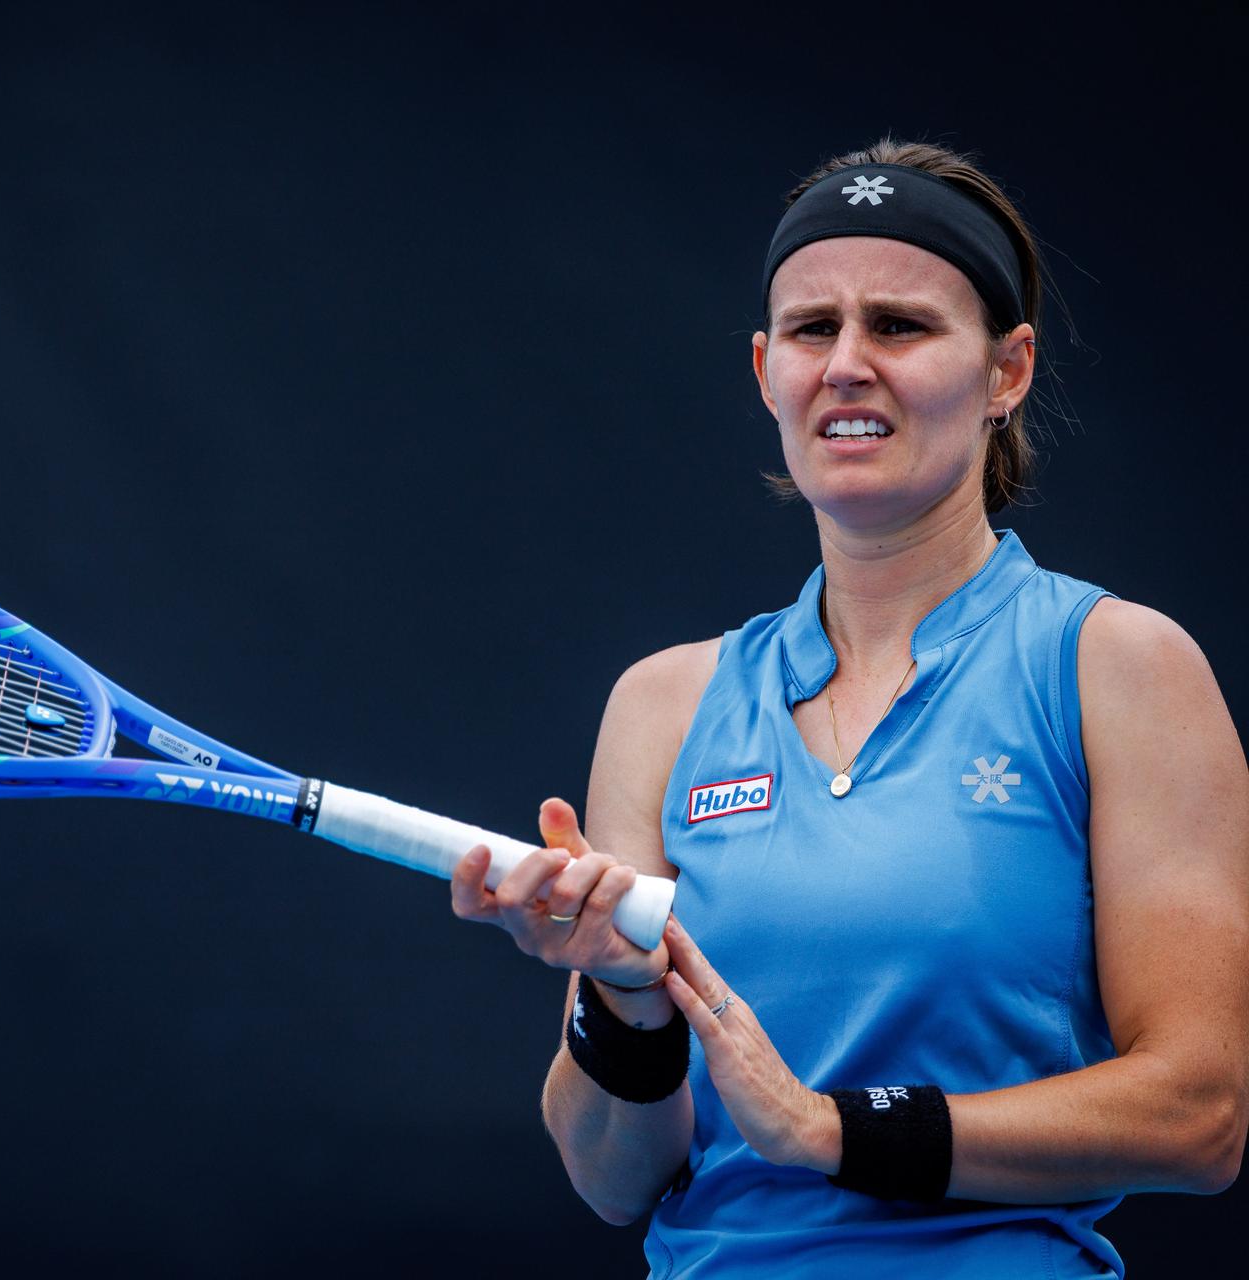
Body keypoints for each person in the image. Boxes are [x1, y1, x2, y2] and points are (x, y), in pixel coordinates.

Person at [450, 138, 1248, 1277]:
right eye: (815, 330)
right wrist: (625, 1001)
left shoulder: (1118, 665)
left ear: (1007, 370)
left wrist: (835, 1129)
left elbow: (1202, 1110)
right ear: (767, 369)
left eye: (903, 326)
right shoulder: (663, 702)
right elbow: (609, 1175)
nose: (848, 364)